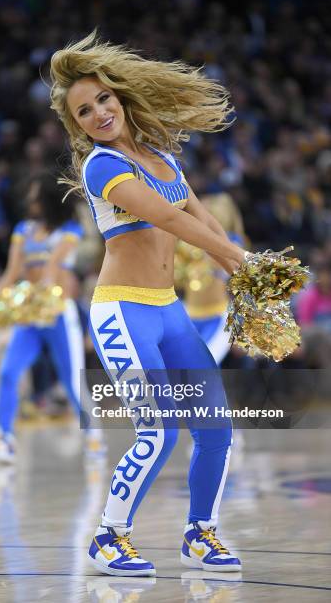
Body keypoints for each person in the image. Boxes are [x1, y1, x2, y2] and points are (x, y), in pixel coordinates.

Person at [49, 33, 247, 577]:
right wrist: (231, 256)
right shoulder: (101, 166)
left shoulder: (159, 156)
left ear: (120, 97)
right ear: (78, 125)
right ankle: (109, 537)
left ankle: (200, 534)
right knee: (156, 430)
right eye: (83, 112)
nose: (97, 114)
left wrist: (245, 264)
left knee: (215, 426)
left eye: (102, 101)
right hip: (123, 311)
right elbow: (168, 217)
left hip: (169, 311)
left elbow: (201, 216)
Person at [0, 172, 103, 463]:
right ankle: (3, 439)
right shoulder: (23, 229)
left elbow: (55, 265)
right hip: (29, 315)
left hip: (57, 312)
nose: (30, 200)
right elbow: (12, 272)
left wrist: (45, 284)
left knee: (71, 379)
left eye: (35, 195)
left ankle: (93, 436)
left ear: (47, 199)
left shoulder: (70, 230)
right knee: (8, 373)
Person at [176, 192, 246, 365]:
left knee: (206, 365)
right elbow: (177, 277)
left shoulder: (232, 243)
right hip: (189, 314)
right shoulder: (188, 244)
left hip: (218, 317)